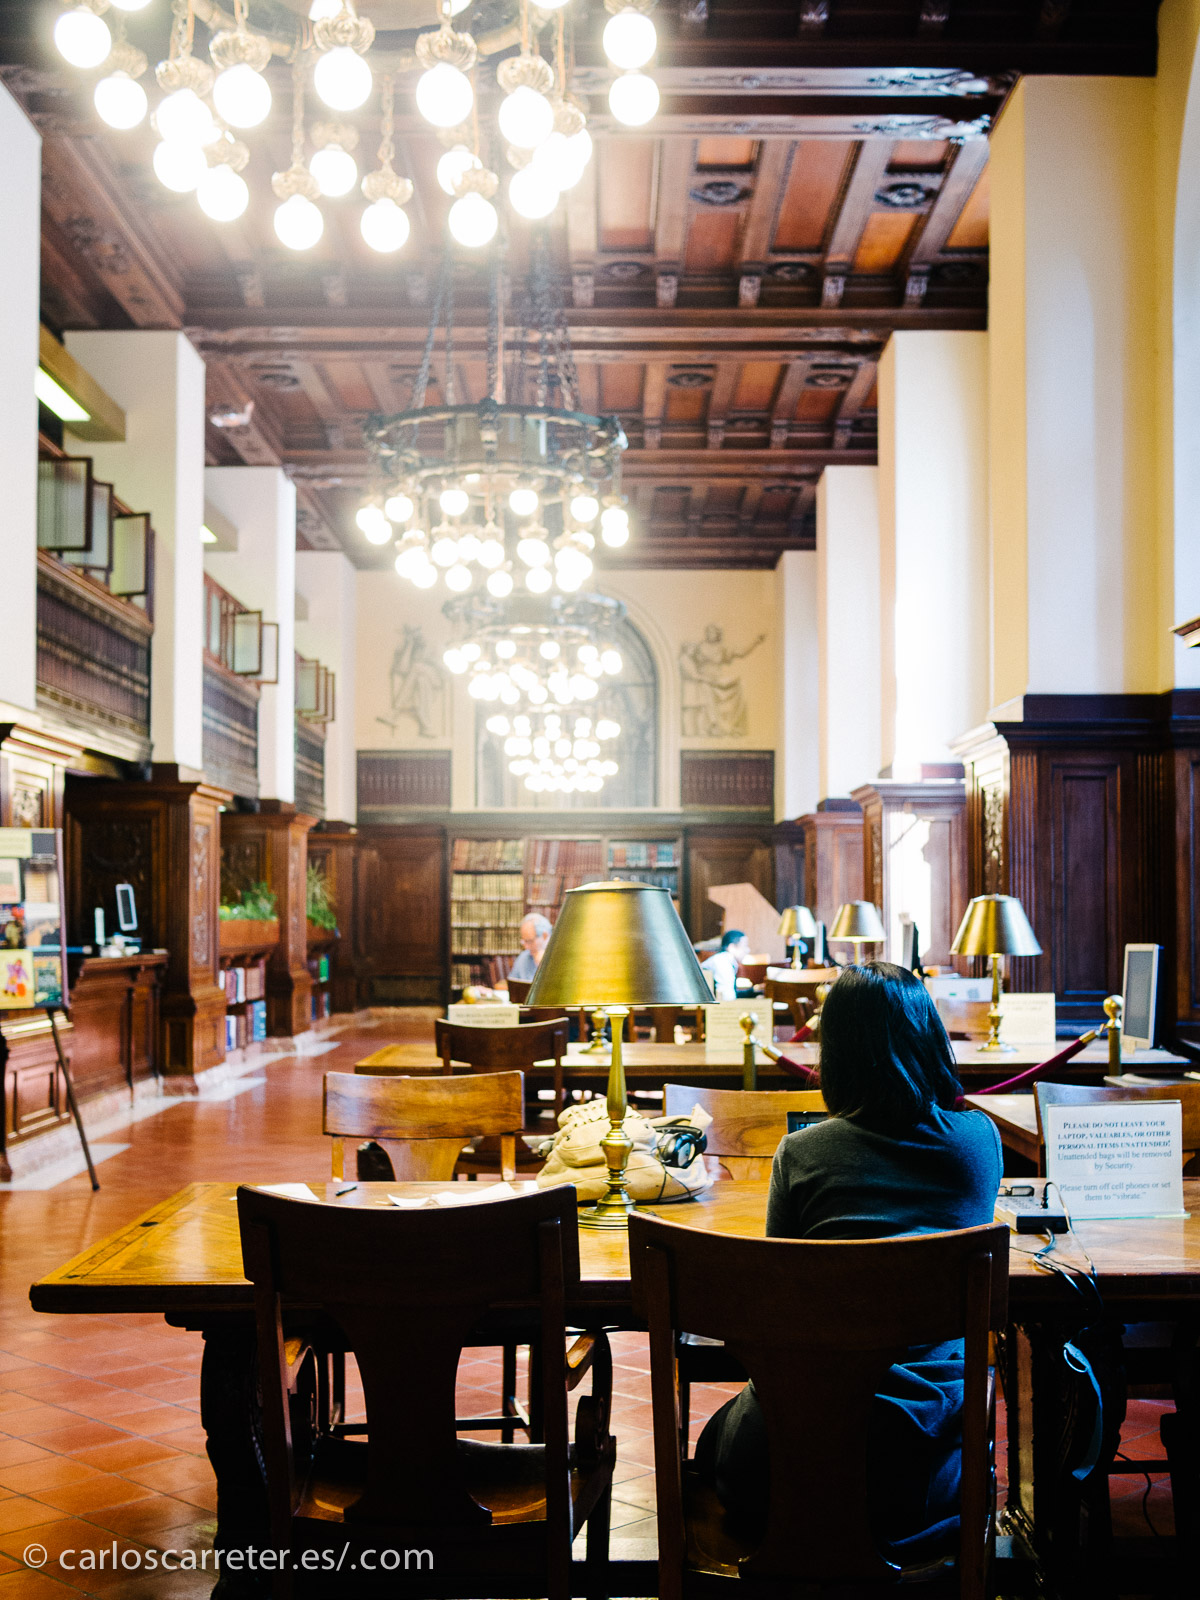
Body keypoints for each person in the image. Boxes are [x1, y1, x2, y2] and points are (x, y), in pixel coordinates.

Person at [694, 961, 1002, 1561]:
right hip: (916, 1471)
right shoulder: (977, 1142)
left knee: (715, 1440)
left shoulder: (802, 1153)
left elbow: (776, 1290)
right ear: (928, 1037)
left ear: (833, 1050)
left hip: (778, 1471)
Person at [700, 929, 748, 1002]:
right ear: (731, 947)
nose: (747, 950)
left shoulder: (724, 959)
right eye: (744, 946)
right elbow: (727, 997)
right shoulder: (722, 962)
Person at [508, 913, 552, 983]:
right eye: (524, 941)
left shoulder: (560, 959)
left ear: (545, 936)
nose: (526, 947)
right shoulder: (523, 957)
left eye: (530, 941)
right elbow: (512, 985)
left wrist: (544, 965)